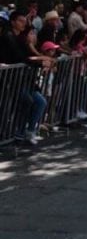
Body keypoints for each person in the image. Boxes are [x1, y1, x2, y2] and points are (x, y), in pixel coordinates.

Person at [0, 10, 53, 143]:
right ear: (13, 22)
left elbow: (28, 55)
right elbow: (20, 57)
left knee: (40, 101)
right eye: (20, 21)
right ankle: (14, 132)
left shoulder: (21, 38)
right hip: (10, 80)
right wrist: (40, 62)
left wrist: (42, 61)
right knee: (23, 102)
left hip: (23, 80)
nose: (23, 23)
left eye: (25, 21)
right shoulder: (8, 36)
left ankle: (28, 131)